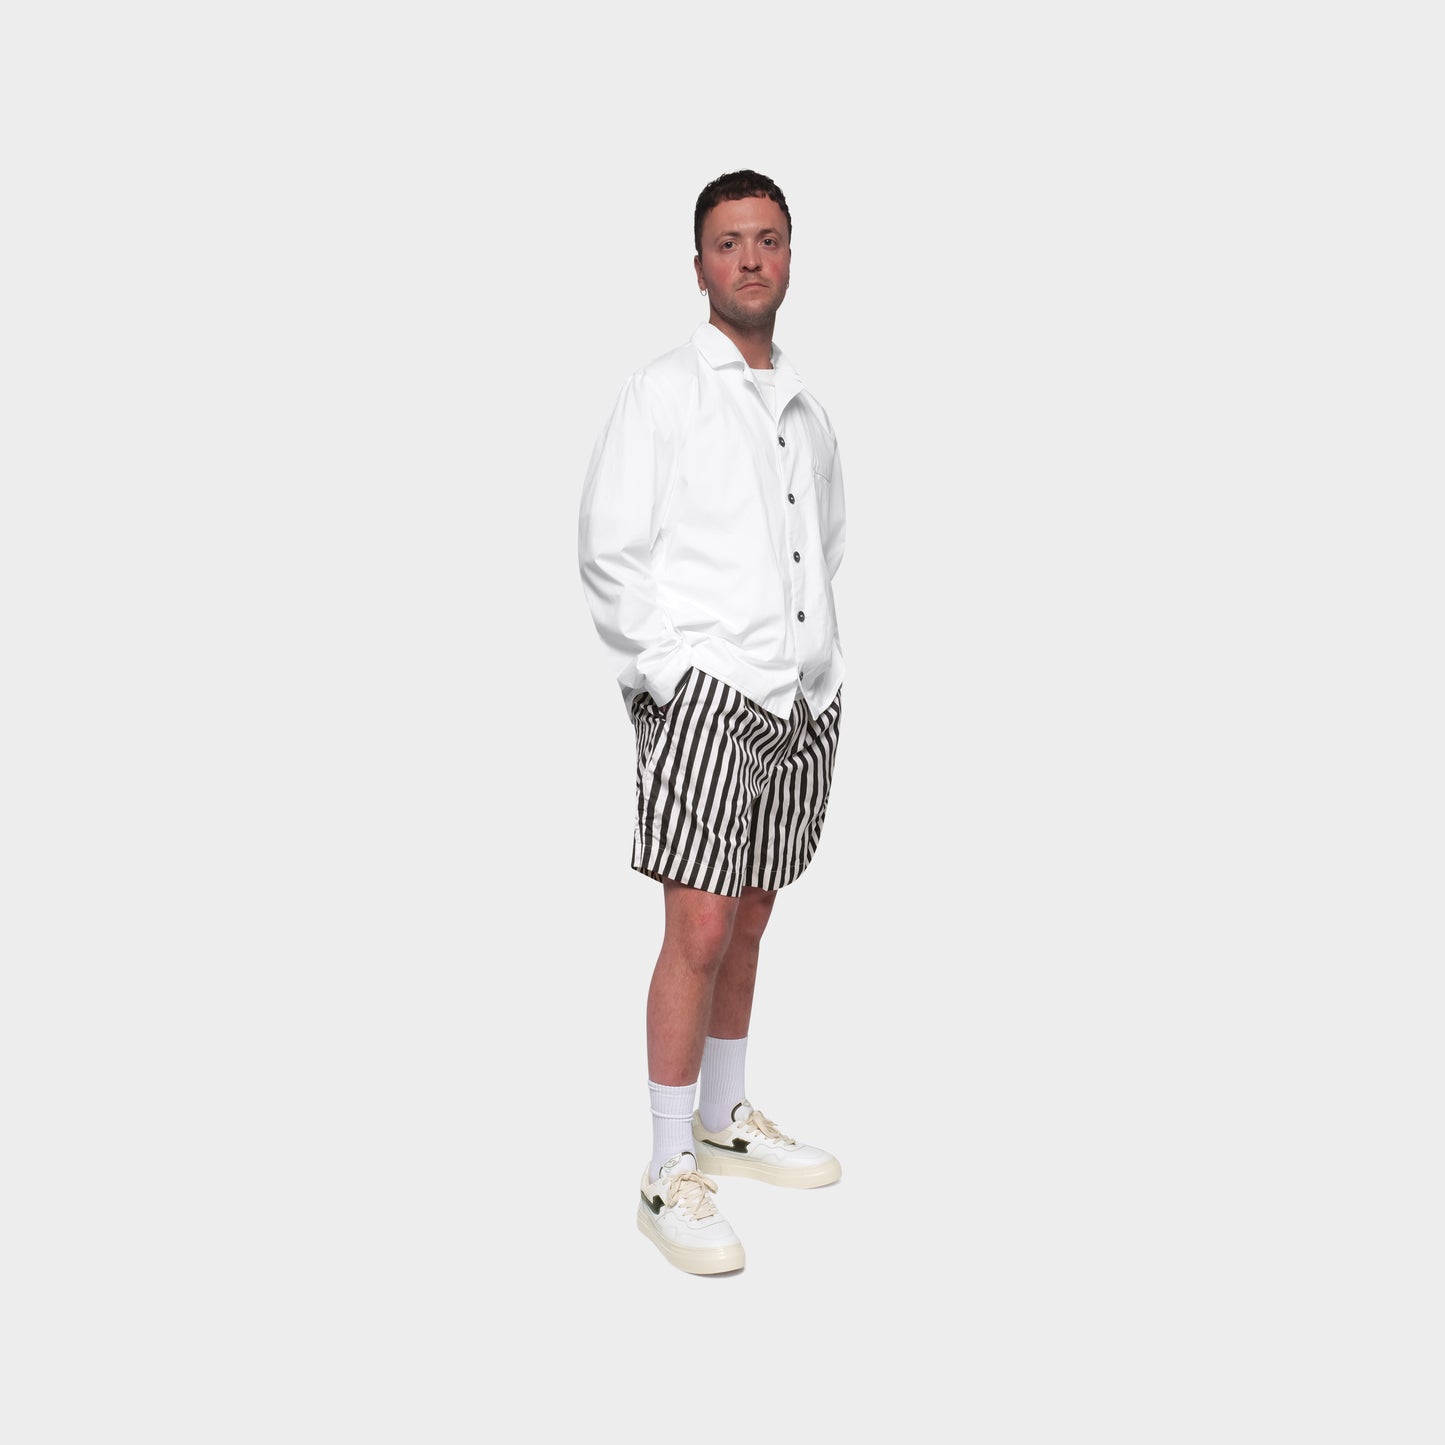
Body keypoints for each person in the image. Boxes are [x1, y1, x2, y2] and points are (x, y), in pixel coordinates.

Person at [578, 170, 848, 1275]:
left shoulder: (807, 412)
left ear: (789, 258)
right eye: (728, 241)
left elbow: (825, 539)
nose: (748, 258)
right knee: (695, 928)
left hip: (799, 698)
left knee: (751, 913)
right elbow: (608, 546)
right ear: (698, 266)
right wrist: (667, 676)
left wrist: (816, 662)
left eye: (767, 239)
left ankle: (724, 1117)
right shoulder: (661, 392)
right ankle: (663, 1165)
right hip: (706, 695)